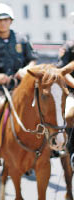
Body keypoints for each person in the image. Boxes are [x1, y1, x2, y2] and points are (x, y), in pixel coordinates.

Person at [0, 3, 38, 167]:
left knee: (40, 107)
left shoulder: (22, 39)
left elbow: (32, 59)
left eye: (5, 19)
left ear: (11, 20)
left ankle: (45, 148)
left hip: (21, 87)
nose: (2, 23)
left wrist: (25, 70)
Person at [57, 11, 74, 170]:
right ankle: (70, 149)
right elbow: (62, 71)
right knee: (69, 114)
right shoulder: (69, 46)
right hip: (72, 92)